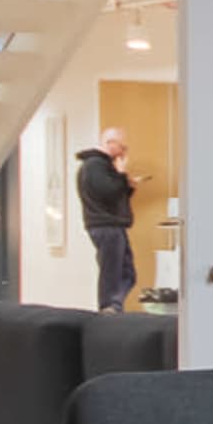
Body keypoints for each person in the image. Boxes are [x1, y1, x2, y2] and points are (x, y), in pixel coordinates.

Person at [77, 127, 138, 312]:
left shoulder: (100, 166)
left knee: (127, 272)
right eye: (122, 147)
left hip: (110, 224)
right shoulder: (95, 165)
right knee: (113, 271)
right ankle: (109, 307)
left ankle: (113, 305)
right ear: (111, 143)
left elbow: (116, 193)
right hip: (106, 225)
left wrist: (127, 184)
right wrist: (121, 174)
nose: (124, 152)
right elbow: (108, 192)